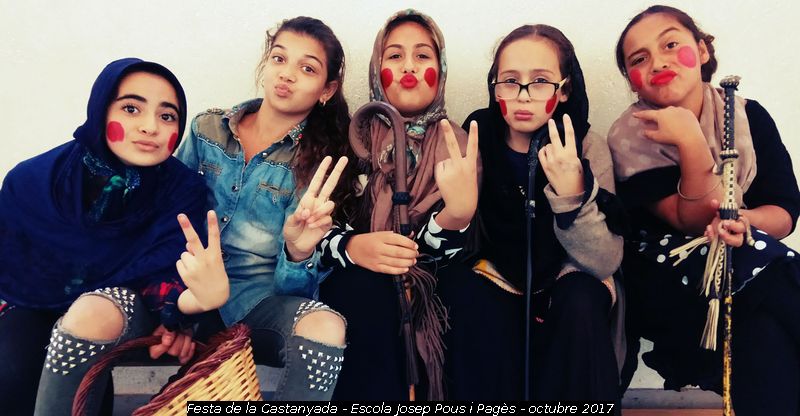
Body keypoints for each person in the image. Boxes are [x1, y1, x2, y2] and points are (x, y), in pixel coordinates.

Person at [0, 58, 227, 416]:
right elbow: (11, 270)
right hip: (35, 305)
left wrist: (190, 305)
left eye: (167, 116)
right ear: (100, 110)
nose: (150, 127)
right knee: (12, 364)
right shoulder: (32, 181)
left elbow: (166, 279)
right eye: (131, 108)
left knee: (91, 323)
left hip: (122, 312)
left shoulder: (181, 191)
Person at [608, 5, 800, 415]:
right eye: (639, 59)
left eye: (670, 45)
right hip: (668, 282)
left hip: (748, 270)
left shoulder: (748, 116)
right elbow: (694, 220)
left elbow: (784, 212)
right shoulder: (630, 137)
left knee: (763, 334)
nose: (658, 62)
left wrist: (745, 222)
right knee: (771, 277)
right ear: (630, 79)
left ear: (702, 50)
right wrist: (691, 141)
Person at [438, 24, 626, 402]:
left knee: (581, 299)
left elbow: (604, 261)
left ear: (565, 88)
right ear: (494, 87)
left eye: (540, 81)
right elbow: (459, 243)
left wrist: (571, 197)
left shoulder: (586, 146)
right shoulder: (476, 139)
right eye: (510, 81)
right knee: (463, 292)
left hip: (567, 276)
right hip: (496, 274)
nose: (523, 96)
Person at [175, 16, 353, 400]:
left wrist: (297, 251)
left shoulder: (316, 162)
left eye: (307, 68)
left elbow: (293, 291)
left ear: (327, 90)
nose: (287, 74)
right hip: (185, 290)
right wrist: (172, 310)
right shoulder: (207, 129)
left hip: (255, 306)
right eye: (279, 58)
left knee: (326, 326)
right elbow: (167, 216)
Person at [318, 9, 480, 400]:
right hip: (358, 280)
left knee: (470, 300)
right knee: (362, 293)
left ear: (441, 68)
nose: (409, 66)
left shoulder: (459, 144)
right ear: (377, 68)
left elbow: (459, 252)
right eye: (395, 55)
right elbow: (313, 230)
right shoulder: (350, 136)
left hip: (432, 279)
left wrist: (454, 218)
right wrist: (353, 246)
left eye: (423, 55)